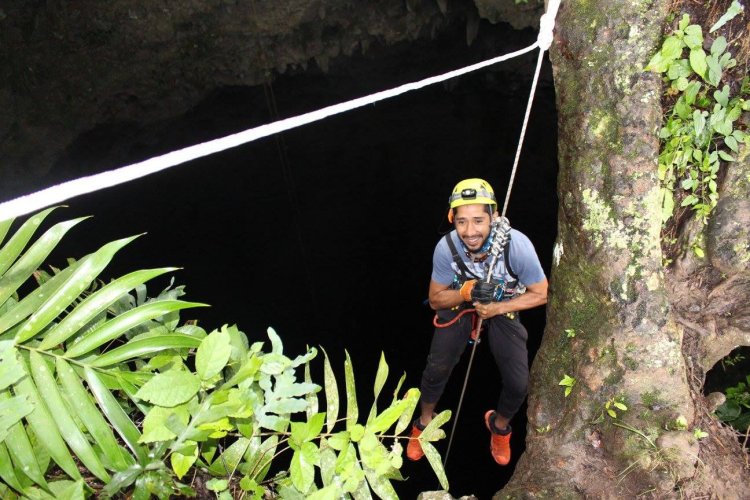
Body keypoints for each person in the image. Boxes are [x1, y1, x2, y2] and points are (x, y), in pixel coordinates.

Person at [407, 178, 548, 466]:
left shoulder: (516, 247)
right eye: (461, 222)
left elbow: (541, 294)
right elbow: (435, 300)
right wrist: (466, 291)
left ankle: (499, 426)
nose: (470, 231)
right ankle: (423, 423)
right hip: (461, 304)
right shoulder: (447, 249)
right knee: (436, 369)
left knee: (518, 383)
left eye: (478, 220)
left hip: (502, 306)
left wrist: (498, 308)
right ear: (452, 220)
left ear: (493, 217)